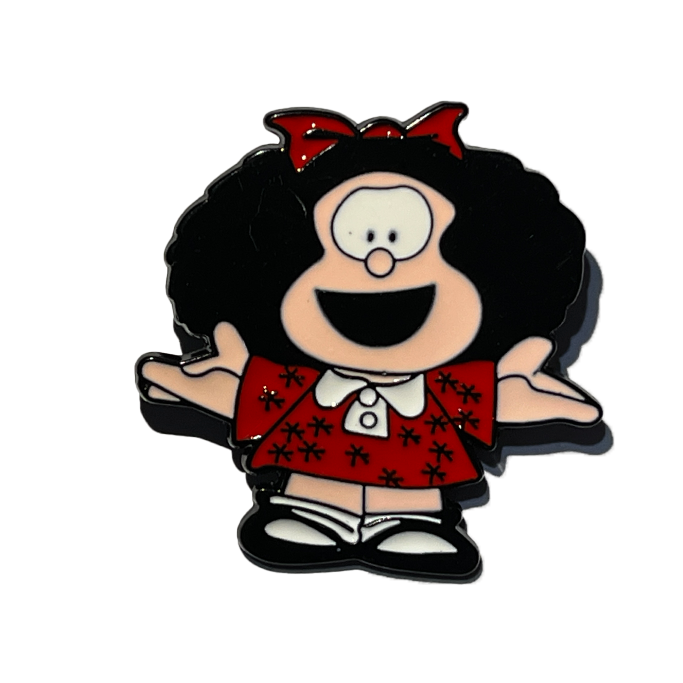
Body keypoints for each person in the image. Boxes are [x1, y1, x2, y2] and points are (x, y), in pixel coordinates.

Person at [135, 102, 601, 582]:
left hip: (416, 484)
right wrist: (193, 382)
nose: (380, 264)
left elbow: (494, 399)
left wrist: (523, 394)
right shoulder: (292, 380)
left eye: (402, 241)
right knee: (308, 506)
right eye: (357, 241)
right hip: (309, 477)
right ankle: (313, 513)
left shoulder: (447, 387)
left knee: (411, 512)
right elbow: (244, 391)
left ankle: (408, 520)